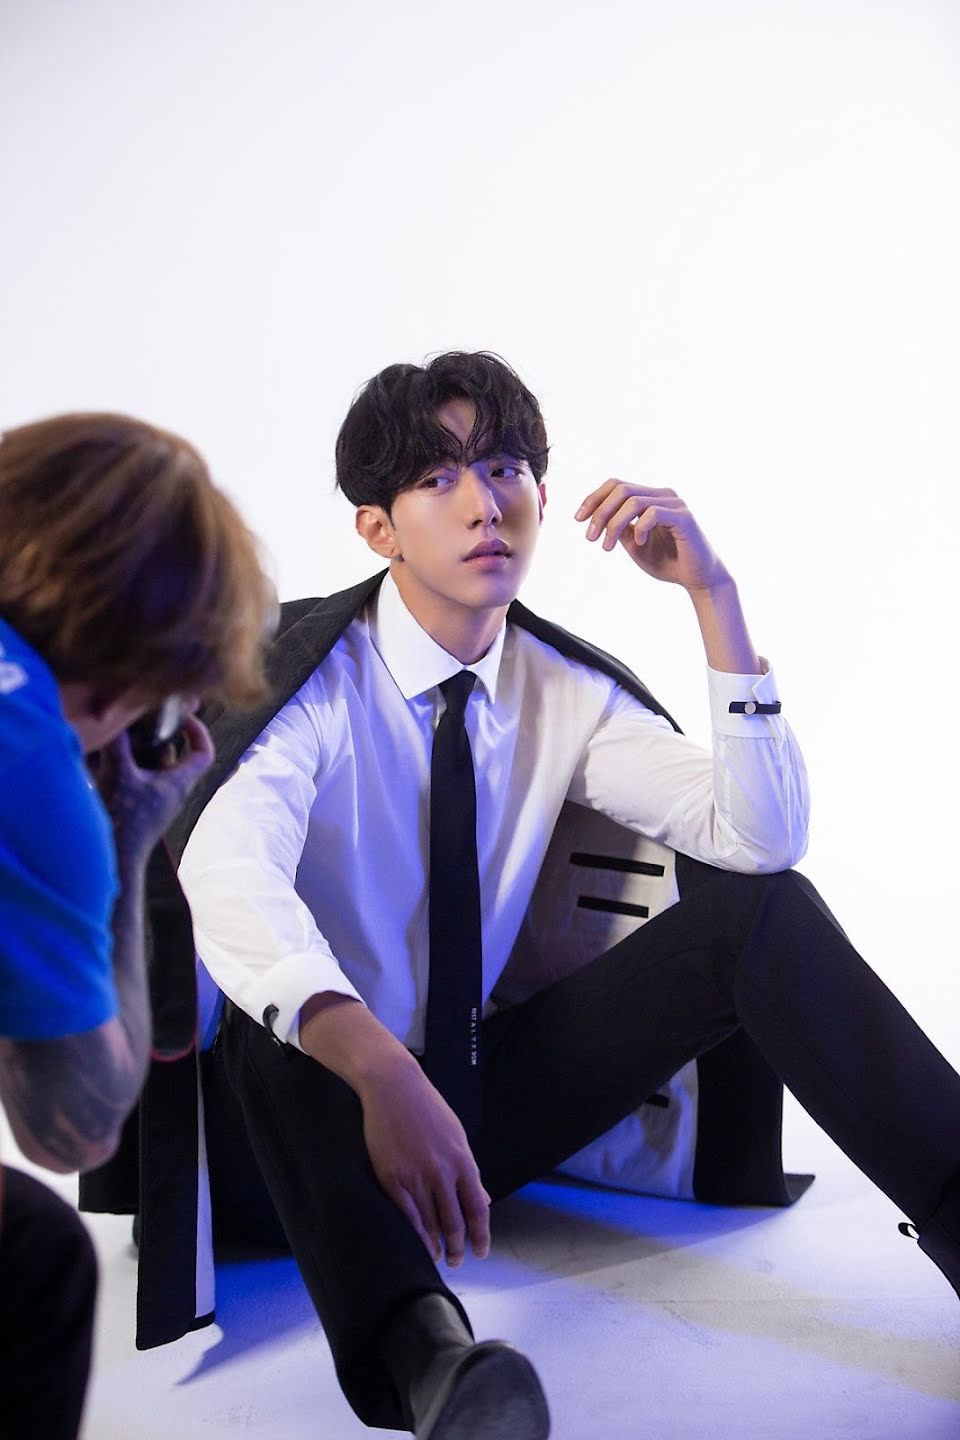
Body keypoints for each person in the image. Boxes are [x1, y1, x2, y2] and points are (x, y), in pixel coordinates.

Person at [133, 353, 959, 1440]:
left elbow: (758, 842)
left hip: (478, 1114)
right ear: (377, 530)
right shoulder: (306, 687)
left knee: (759, 914)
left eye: (506, 468)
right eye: (439, 479)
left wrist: (714, 595)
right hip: (296, 1146)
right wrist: (380, 1070)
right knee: (273, 1019)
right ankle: (436, 1369)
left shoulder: (562, 688)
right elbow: (228, 879)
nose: (487, 505)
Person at [0, 413, 275, 1440]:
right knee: (35, 1260)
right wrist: (123, 840)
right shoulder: (33, 767)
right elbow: (71, 1127)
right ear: (143, 681)